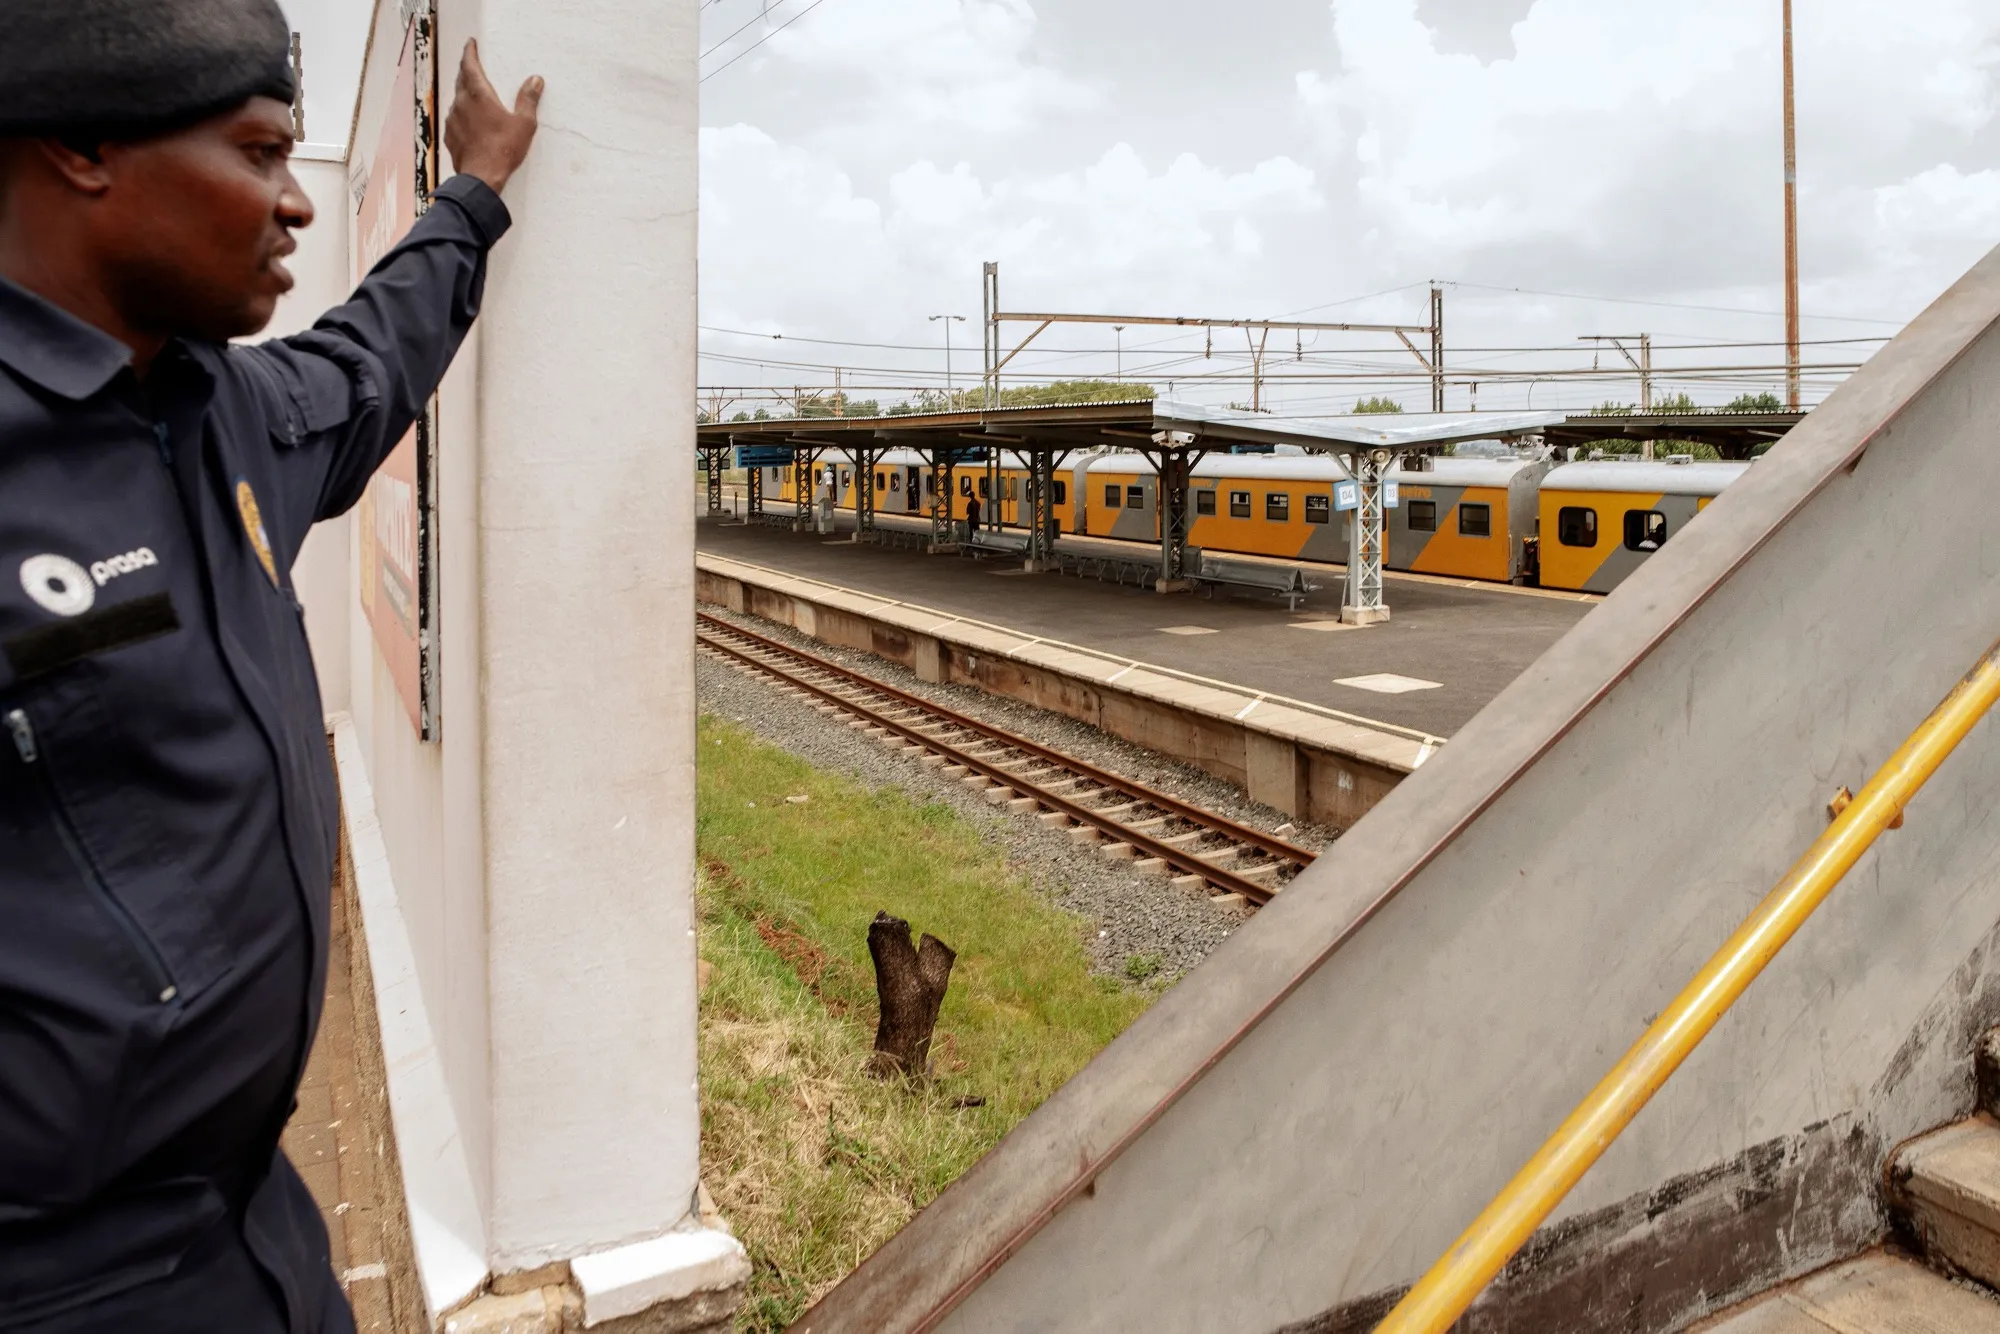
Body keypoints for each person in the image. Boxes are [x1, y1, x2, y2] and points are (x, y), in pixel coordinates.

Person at [0, 3, 542, 1330]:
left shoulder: (216, 414)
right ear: (79, 143)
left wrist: (470, 198)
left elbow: (369, 363)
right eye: (256, 153)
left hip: (252, 1226)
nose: (291, 205)